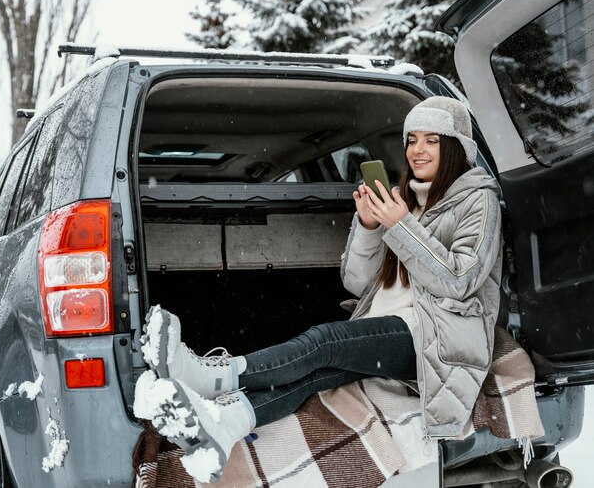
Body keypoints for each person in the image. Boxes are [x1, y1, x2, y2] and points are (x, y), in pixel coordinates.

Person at [142, 96, 503, 483]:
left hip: (435, 337)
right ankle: (224, 425)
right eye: (411, 139)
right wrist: (368, 226)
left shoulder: (478, 200)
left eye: (431, 140)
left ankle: (213, 375)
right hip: (388, 325)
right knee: (317, 374)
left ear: (455, 146)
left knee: (324, 341)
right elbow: (358, 282)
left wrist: (400, 226)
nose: (417, 150)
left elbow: (459, 281)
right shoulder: (406, 201)